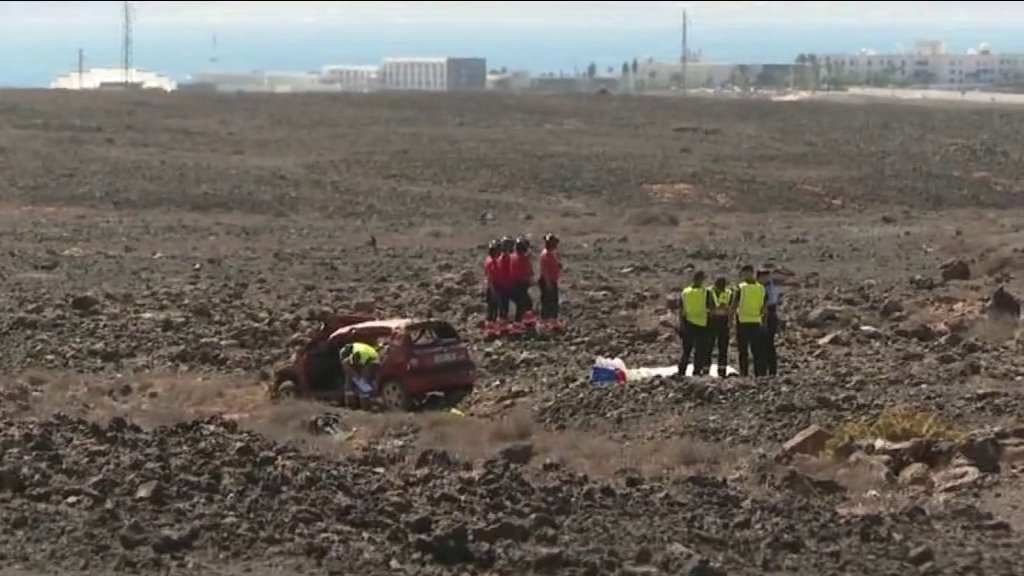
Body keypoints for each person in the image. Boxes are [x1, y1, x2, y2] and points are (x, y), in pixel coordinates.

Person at [731, 265, 768, 378]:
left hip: (743, 322)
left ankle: (745, 373)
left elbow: (733, 305)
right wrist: (764, 322)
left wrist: (730, 321)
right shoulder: (761, 288)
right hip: (755, 322)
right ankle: (759, 374)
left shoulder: (741, 288)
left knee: (744, 351)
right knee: (756, 350)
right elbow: (764, 308)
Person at [678, 270, 714, 376]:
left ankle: (681, 372)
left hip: (688, 324)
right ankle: (696, 372)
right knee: (699, 351)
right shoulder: (706, 292)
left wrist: (681, 324)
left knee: (686, 351)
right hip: (702, 325)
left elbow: (681, 310)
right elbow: (711, 309)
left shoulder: (685, 292)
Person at [705, 276, 733, 377]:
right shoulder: (708, 291)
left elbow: (731, 306)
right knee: (708, 346)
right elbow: (705, 306)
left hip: (723, 321)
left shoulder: (729, 292)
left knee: (723, 346)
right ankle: (705, 369)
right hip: (711, 321)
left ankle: (722, 370)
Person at [509, 236, 536, 328]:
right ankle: (517, 325)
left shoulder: (511, 257)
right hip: (520, 285)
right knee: (523, 305)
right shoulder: (524, 259)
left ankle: (527, 322)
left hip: (510, 284)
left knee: (526, 304)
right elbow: (529, 273)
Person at [538, 233, 562, 330]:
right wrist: (548, 283)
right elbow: (544, 270)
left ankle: (551, 320)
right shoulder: (545, 255)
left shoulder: (551, 254)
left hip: (552, 280)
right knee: (548, 301)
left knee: (552, 300)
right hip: (548, 281)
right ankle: (547, 321)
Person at [760, 268, 781, 377]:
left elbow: (770, 302)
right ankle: (762, 370)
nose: (766, 278)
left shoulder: (770, 288)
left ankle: (772, 370)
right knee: (761, 345)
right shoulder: (759, 288)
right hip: (759, 316)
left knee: (769, 344)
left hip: (770, 315)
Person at [496, 236, 515, 330]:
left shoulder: (502, 258)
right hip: (506, 285)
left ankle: (504, 324)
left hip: (505, 285)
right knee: (504, 306)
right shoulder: (505, 258)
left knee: (504, 306)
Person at [483, 239, 502, 333]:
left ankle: (491, 328)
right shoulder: (492, 262)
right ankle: (491, 329)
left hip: (493, 286)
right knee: (492, 309)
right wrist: (493, 290)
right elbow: (490, 278)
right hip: (493, 287)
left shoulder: (490, 260)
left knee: (492, 308)